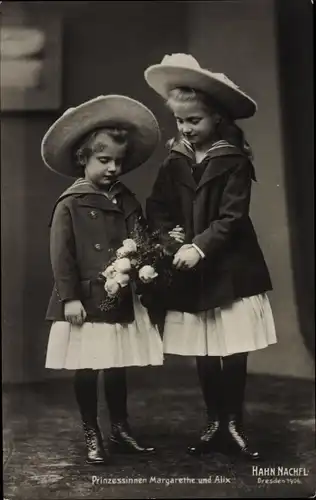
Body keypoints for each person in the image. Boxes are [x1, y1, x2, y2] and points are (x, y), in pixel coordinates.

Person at [144, 54, 277, 460]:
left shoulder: (232, 159)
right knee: (202, 347)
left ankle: (233, 421)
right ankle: (213, 421)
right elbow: (159, 208)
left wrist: (199, 246)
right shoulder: (175, 159)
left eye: (194, 121)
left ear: (216, 118)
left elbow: (232, 216)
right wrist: (171, 242)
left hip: (228, 265)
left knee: (232, 347)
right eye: (181, 121)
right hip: (188, 266)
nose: (186, 129)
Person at [42, 95, 163, 465]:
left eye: (118, 162)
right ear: (84, 159)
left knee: (116, 363)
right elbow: (61, 256)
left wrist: (145, 262)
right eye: (104, 160)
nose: (113, 169)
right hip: (86, 297)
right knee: (89, 364)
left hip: (119, 294)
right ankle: (91, 430)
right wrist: (70, 297)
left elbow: (140, 240)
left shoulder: (126, 199)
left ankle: (121, 428)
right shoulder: (71, 203)